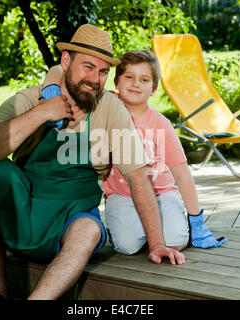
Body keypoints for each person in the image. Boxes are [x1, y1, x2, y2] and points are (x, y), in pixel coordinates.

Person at [0, 24, 185, 301]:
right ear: (65, 62)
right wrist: (42, 113)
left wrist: (157, 243)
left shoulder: (110, 108)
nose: (94, 79)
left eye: (102, 72)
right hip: (25, 211)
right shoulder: (29, 99)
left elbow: (137, 177)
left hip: (72, 217)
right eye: (87, 67)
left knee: (89, 229)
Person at [44, 50, 227, 256]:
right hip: (120, 195)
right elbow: (58, 69)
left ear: (154, 89)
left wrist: (197, 220)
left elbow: (182, 174)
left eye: (144, 79)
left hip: (161, 194)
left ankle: (166, 227)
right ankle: (135, 230)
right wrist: (50, 91)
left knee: (175, 241)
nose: (135, 84)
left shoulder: (160, 124)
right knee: (127, 246)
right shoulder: (103, 107)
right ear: (116, 82)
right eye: (129, 77)